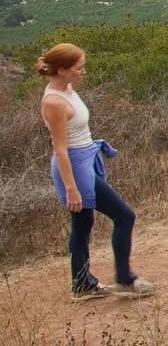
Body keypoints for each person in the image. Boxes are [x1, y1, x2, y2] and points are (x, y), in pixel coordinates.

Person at [37, 43, 156, 302]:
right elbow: (60, 149)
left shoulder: (67, 88)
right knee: (124, 215)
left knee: (83, 224)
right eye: (79, 68)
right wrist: (71, 188)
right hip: (74, 167)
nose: (84, 72)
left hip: (85, 160)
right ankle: (124, 279)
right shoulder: (54, 102)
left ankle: (83, 284)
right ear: (62, 70)